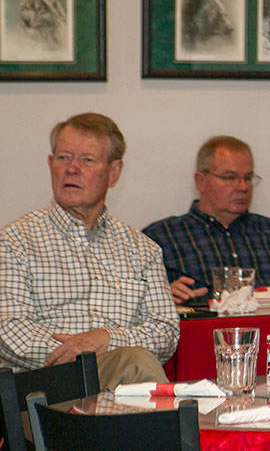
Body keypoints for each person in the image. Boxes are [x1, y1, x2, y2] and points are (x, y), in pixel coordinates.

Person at [0, 113, 178, 388]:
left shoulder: (143, 250)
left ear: (114, 172)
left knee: (135, 372)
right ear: (50, 164)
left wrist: (108, 339)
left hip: (122, 383)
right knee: (136, 366)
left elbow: (165, 332)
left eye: (87, 159)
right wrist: (81, 355)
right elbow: (10, 332)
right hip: (43, 388)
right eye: (63, 157)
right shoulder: (14, 241)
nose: (72, 168)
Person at [143, 135, 270, 305]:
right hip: (200, 330)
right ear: (200, 181)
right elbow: (135, 307)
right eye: (230, 178)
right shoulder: (161, 239)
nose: (243, 187)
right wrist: (161, 298)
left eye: (248, 178)